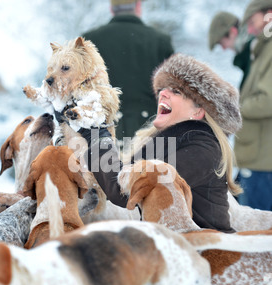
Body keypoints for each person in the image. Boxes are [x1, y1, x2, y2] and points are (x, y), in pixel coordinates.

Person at [75, 53, 242, 233]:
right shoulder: (166, 142)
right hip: (175, 247)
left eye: (176, 91)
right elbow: (119, 176)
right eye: (163, 88)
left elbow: (122, 190)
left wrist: (98, 135)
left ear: (199, 112)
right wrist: (88, 129)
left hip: (208, 253)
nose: (163, 93)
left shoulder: (204, 149)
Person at [82, 0, 174, 140]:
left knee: (103, 163)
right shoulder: (160, 41)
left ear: (112, 9)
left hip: (103, 132)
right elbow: (173, 92)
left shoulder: (89, 41)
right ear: (138, 6)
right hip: (151, 131)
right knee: (153, 162)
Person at [234, 0, 272, 211]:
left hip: (263, 161)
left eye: (253, 21)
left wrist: (235, 111)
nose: (250, 29)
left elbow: (267, 100)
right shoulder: (263, 46)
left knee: (259, 237)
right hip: (258, 157)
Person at [208, 11, 253, 90]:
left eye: (222, 43)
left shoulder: (255, 52)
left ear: (232, 32)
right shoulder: (249, 55)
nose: (224, 48)